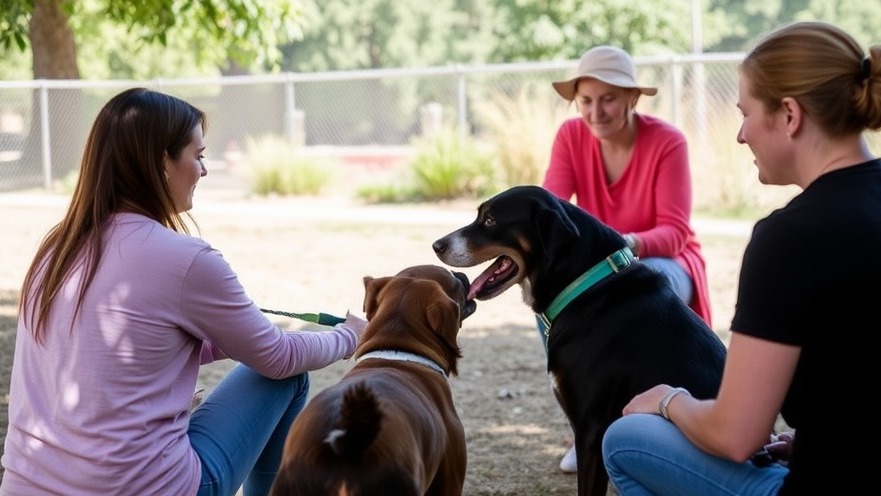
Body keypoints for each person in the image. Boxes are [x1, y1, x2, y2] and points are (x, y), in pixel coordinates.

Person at [0, 88, 367, 496]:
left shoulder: (56, 248)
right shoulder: (186, 258)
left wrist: (226, 338)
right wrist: (351, 335)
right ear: (162, 163)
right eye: (199, 156)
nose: (204, 171)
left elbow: (129, 348)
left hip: (26, 486)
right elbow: (278, 359)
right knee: (286, 378)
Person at [601, 21, 881, 495]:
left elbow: (735, 436)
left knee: (625, 438)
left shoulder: (790, 238)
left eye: (745, 113)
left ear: (789, 114)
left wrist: (671, 400)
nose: (740, 135)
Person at [542, 45, 712, 473]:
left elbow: (674, 233)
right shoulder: (570, 136)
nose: (595, 111)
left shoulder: (667, 141)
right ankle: (587, 427)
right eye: (586, 100)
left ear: (633, 98)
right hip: (596, 273)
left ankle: (658, 424)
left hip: (661, 263)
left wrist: (622, 246)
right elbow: (551, 211)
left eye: (609, 98)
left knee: (648, 288)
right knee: (553, 302)